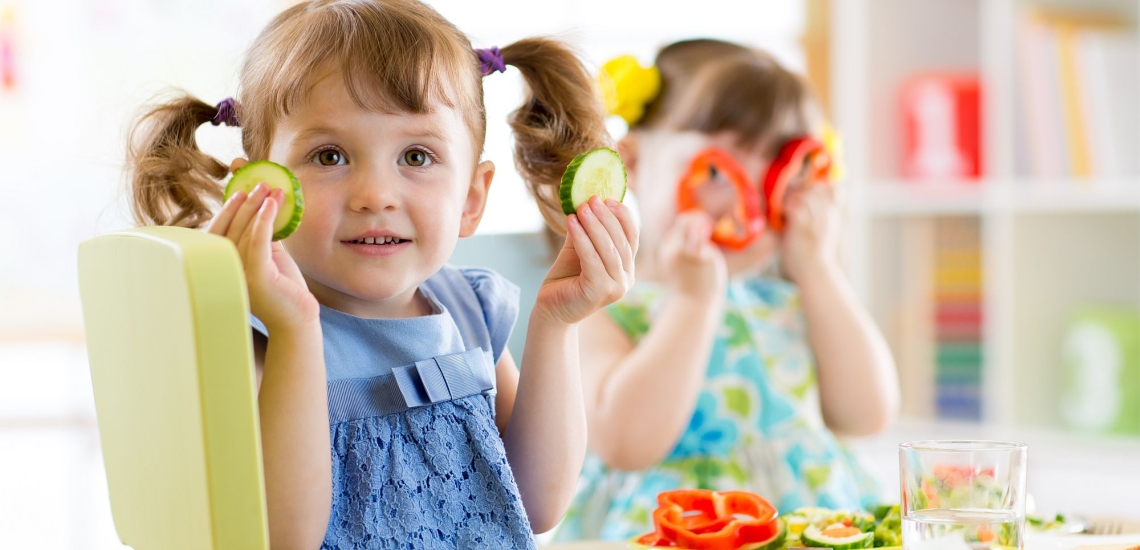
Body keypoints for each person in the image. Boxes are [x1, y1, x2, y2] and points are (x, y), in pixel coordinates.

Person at [125, 1, 638, 547]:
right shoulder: (252, 334)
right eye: (328, 156)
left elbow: (535, 504)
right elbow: (284, 536)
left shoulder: (472, 310)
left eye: (416, 157)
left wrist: (557, 324)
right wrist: (296, 327)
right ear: (256, 188)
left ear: (471, 197)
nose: (375, 196)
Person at [554, 39, 899, 541]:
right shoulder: (601, 304)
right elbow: (626, 443)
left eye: (783, 178)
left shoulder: (791, 301)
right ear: (633, 162)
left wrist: (820, 269)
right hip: (674, 531)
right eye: (718, 172)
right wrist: (694, 302)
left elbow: (868, 415)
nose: (749, 211)